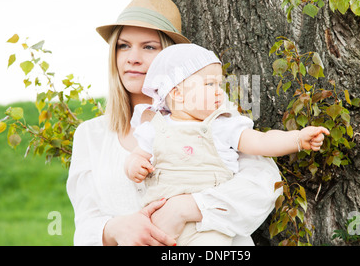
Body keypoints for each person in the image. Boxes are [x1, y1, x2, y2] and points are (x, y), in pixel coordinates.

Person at [66, 0, 282, 246]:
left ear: (172, 58)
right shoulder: (91, 135)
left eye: (149, 47)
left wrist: (184, 208)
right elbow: (85, 226)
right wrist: (113, 230)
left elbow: (265, 185)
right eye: (123, 46)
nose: (133, 58)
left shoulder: (215, 118)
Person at [124, 43, 329, 245]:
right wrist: (134, 165)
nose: (219, 92)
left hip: (205, 226)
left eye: (219, 85)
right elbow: (137, 154)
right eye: (209, 85)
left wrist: (297, 139)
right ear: (177, 93)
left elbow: (260, 141)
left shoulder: (222, 125)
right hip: (158, 223)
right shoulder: (155, 128)